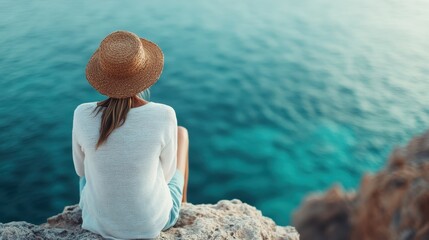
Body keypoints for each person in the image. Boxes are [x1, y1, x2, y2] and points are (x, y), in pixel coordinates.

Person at [72, 30, 189, 239]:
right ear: (144, 74)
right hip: (151, 224)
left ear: (103, 75)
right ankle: (182, 207)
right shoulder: (164, 115)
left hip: (97, 223)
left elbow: (80, 171)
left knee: (90, 170)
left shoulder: (82, 114)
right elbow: (168, 175)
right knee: (182, 134)